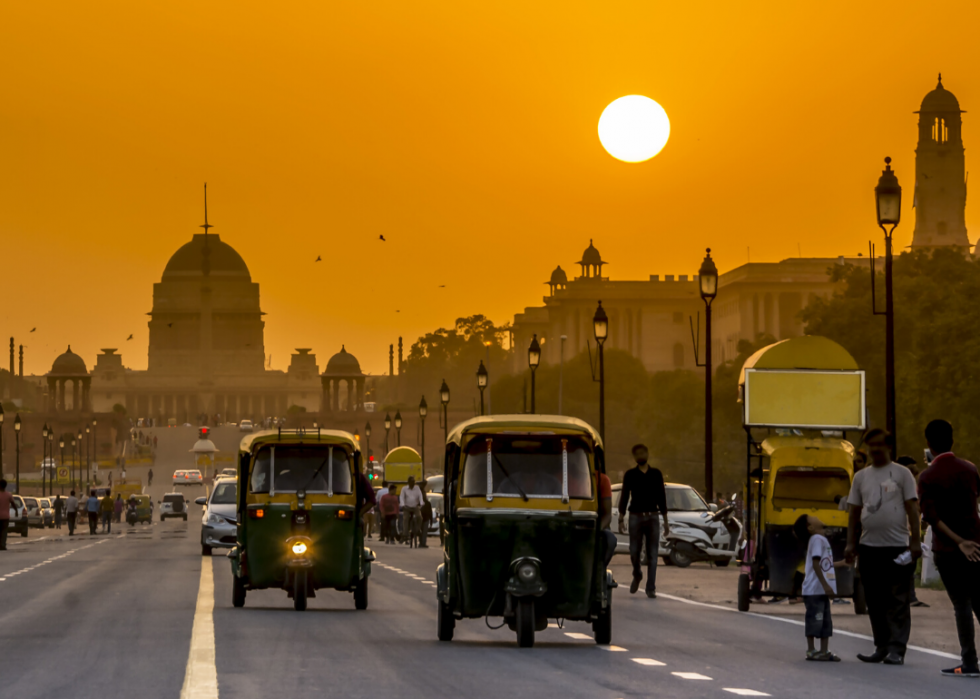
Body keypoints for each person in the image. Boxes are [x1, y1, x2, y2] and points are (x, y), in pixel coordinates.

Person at [845, 428, 921, 665]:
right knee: (874, 600)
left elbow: (912, 507)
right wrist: (850, 543)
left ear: (889, 447)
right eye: (871, 445)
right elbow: (854, 512)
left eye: (879, 444)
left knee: (897, 600)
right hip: (869, 546)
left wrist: (916, 540)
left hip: (897, 547)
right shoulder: (860, 477)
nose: (874, 449)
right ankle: (881, 646)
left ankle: (897, 649)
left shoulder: (903, 474)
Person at [918, 419, 980, 678]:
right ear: (952, 440)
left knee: (961, 604)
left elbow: (932, 518)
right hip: (976, 545)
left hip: (948, 549)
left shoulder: (928, 476)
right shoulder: (969, 469)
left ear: (929, 444)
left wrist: (958, 542)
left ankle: (969, 660)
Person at [618, 444, 669, 598]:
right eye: (637, 454)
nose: (640, 456)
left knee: (653, 553)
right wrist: (621, 518)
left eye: (643, 453)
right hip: (635, 516)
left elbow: (662, 497)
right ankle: (637, 573)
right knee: (634, 551)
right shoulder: (630, 475)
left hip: (653, 516)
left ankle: (651, 587)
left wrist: (666, 521)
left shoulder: (656, 474)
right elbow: (625, 496)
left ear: (647, 454)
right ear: (634, 457)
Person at [795, 514, 847, 662]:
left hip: (819, 590)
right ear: (810, 527)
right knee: (814, 619)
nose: (816, 516)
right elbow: (816, 563)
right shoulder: (817, 539)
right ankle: (811, 650)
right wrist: (826, 586)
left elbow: (825, 564)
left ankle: (824, 651)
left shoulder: (819, 539)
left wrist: (842, 563)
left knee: (825, 621)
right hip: (814, 589)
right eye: (812, 517)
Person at [597, 469, 617, 568]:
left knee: (610, 539)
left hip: (593, 528)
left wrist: (597, 530)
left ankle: (600, 570)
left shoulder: (601, 479)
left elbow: (607, 515)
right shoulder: (560, 476)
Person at [400, 476, 424, 548]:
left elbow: (420, 496)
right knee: (405, 519)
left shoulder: (417, 488)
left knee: (419, 517)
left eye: (414, 482)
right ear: (408, 482)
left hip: (415, 506)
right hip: (407, 507)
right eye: (411, 482)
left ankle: (418, 529)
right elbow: (401, 497)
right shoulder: (404, 489)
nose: (413, 484)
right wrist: (403, 505)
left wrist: (421, 503)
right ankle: (405, 534)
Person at [418, 480, 433, 548]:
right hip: (420, 518)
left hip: (426, 518)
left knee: (424, 532)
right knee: (421, 531)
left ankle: (423, 543)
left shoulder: (428, 503)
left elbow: (430, 512)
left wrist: (431, 520)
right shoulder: (418, 503)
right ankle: (421, 543)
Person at [0, 479, 14, 551]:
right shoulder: (8, 494)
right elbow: (13, 503)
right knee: (4, 531)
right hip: (5, 516)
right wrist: (16, 511)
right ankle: (3, 545)